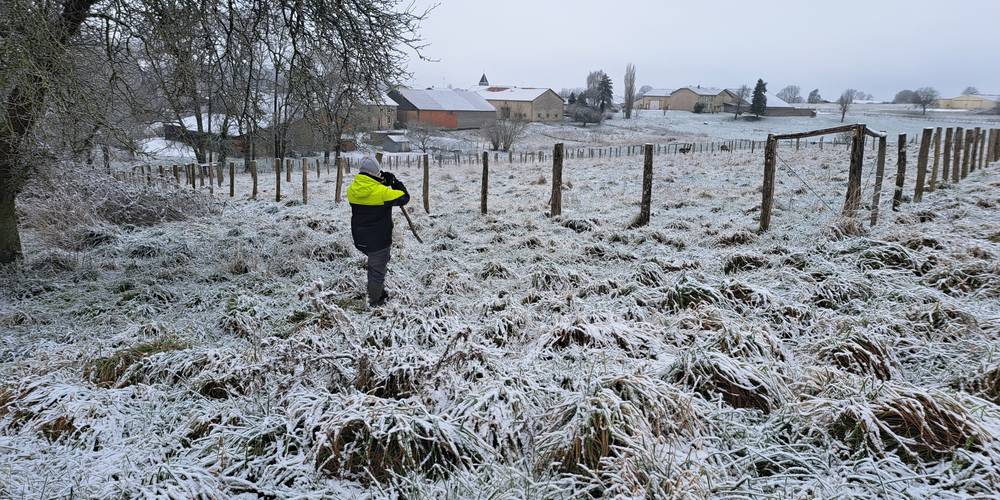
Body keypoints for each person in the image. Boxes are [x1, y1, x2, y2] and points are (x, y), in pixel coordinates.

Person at [347, 157, 410, 306]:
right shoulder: (383, 193)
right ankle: (376, 301)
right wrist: (394, 182)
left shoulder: (351, 190)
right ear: (376, 173)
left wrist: (381, 182)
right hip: (379, 241)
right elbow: (404, 197)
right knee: (377, 271)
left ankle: (377, 290)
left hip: (360, 239)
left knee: (376, 265)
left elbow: (368, 189)